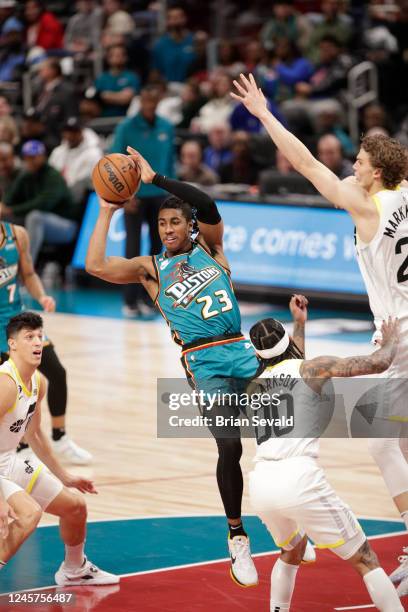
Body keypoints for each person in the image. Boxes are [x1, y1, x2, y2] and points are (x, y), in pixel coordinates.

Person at [232, 72, 408, 595]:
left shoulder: (367, 206)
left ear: (374, 175)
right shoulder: (401, 193)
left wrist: (264, 115)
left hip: (397, 335)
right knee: (394, 438)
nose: (351, 168)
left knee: (379, 440)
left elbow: (307, 165)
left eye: (358, 163)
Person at [86, 146, 283, 587]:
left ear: (189, 226)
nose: (168, 228)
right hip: (203, 362)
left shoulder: (212, 247)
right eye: (161, 223)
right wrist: (105, 211)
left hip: (243, 350)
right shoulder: (151, 269)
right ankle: (237, 537)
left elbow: (209, 205)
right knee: (229, 447)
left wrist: (157, 180)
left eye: (175, 221)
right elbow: (96, 265)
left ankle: (286, 516)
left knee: (281, 432)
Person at [248, 302, 403, 611]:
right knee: (365, 559)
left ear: (257, 354)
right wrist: (392, 339)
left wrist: (299, 324)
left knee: (291, 552)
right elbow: (378, 363)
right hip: (299, 478)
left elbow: (290, 370)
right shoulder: (311, 369)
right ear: (289, 343)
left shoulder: (254, 386)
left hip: (261, 484)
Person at [0, 312, 117, 585]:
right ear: (12, 344)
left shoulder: (39, 382)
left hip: (10, 461)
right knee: (29, 513)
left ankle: (74, 569)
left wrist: (65, 476)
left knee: (75, 507)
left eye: (40, 336)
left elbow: (35, 436)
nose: (37, 342)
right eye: (29, 337)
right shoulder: (5, 384)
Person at [0, 219, 92, 464]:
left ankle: (60, 438)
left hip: (18, 322)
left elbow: (28, 273)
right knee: (11, 390)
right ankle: (17, 445)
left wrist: (41, 296)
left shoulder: (16, 235)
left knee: (57, 373)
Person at [110, 87, 175, 316]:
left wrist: (171, 192)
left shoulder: (167, 126)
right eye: (146, 99)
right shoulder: (126, 127)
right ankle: (130, 300)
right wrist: (125, 197)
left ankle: (152, 298)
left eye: (154, 99)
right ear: (140, 100)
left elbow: (170, 161)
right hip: (134, 196)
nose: (150, 103)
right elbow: (114, 162)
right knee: (133, 249)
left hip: (159, 195)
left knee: (159, 249)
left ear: (158, 100)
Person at [2, 140, 80, 264]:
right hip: (39, 223)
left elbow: (44, 204)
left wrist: (11, 210)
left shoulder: (53, 176)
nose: (30, 161)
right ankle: (4, 266)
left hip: (66, 226)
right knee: (4, 219)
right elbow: (9, 199)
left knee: (35, 217)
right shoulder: (26, 175)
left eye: (34, 157)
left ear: (43, 156)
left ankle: (26, 268)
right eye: (27, 158)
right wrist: (3, 208)